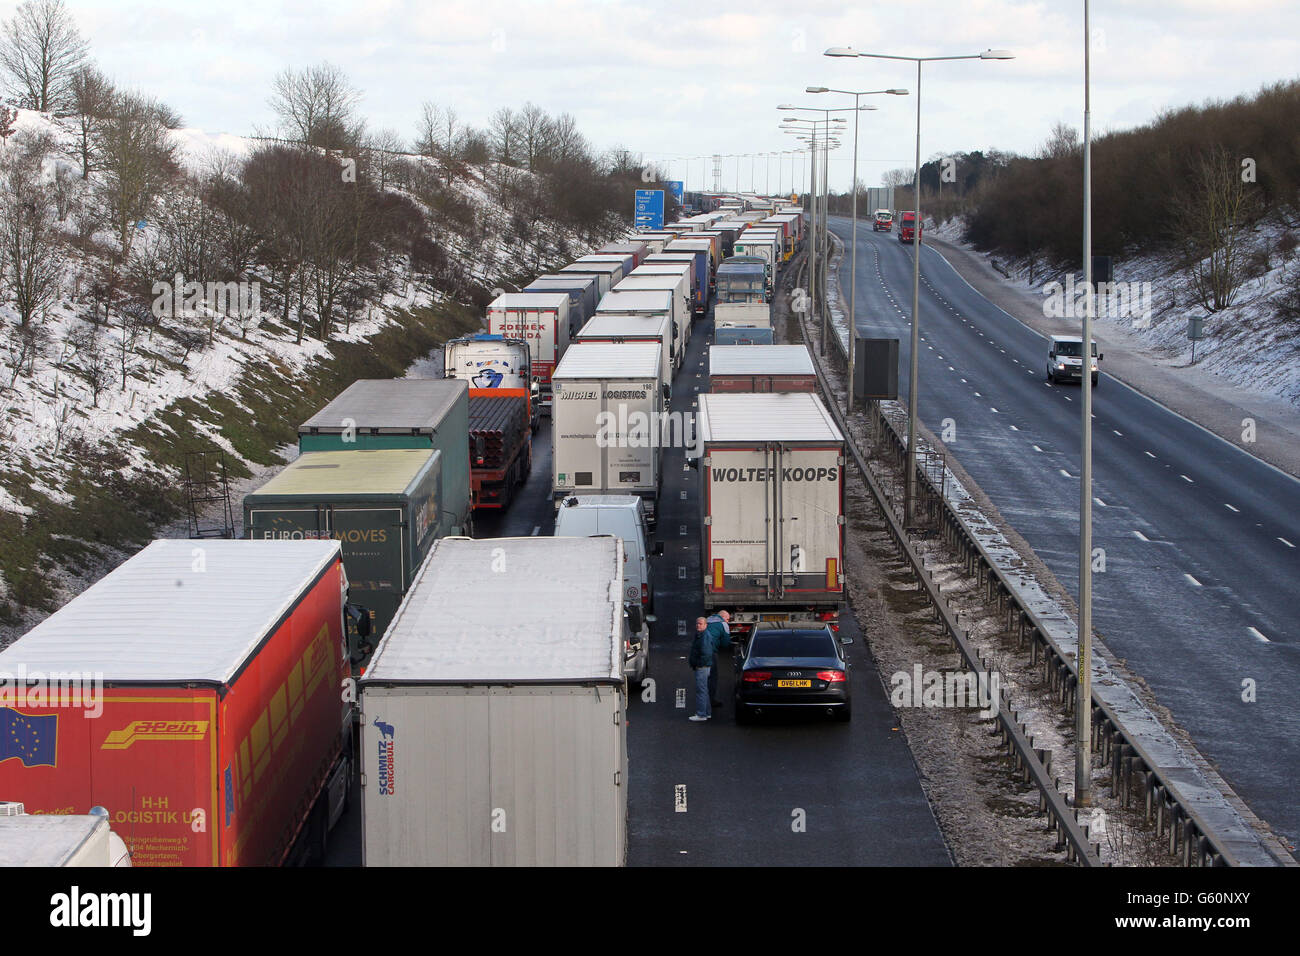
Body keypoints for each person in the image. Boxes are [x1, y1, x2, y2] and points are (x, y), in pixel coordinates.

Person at [688, 617, 713, 721]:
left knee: (701, 691)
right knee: (704, 690)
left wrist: (699, 664)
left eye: (701, 624)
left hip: (702, 667)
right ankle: (707, 713)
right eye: (697, 623)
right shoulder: (701, 635)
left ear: (706, 625)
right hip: (704, 666)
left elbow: (706, 653)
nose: (698, 625)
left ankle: (701, 714)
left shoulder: (705, 636)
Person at [705, 610, 731, 707]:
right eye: (728, 619)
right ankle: (711, 700)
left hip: (700, 651)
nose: (728, 621)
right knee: (713, 676)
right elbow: (726, 643)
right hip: (711, 651)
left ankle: (702, 699)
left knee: (703, 677)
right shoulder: (724, 624)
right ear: (723, 617)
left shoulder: (706, 620)